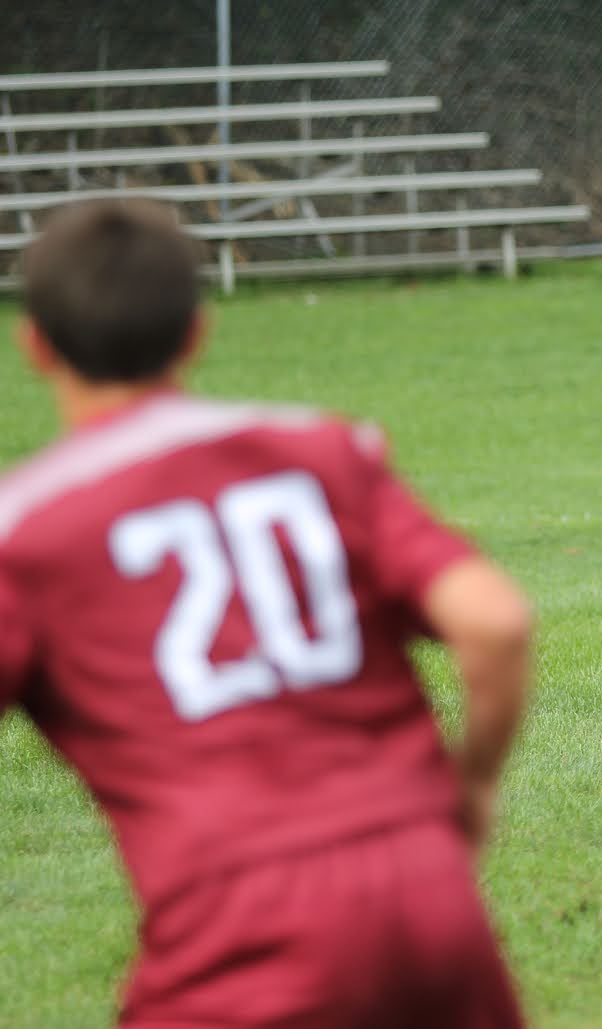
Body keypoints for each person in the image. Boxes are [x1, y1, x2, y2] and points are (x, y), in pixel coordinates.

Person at [0, 199, 533, 1027]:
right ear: (196, 332)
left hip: (238, 923)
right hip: (427, 887)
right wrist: (471, 786)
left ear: (33, 344)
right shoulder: (319, 450)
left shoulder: (28, 531)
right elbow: (494, 620)